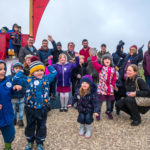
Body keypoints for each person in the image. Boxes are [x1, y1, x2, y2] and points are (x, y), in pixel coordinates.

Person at [13, 59, 57, 150]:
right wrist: (22, 71)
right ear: (32, 72)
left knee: (42, 126)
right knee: (30, 125)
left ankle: (40, 142)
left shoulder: (46, 79)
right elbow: (15, 79)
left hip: (42, 108)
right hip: (30, 108)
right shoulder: (27, 80)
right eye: (37, 70)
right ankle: (30, 141)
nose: (40, 72)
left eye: (41, 70)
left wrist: (48, 66)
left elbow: (54, 72)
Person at [0, 60, 22, 150]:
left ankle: (7, 147)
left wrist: (15, 88)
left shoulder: (7, 80)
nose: (3, 71)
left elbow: (11, 90)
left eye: (4, 69)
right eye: (0, 69)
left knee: (10, 133)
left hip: (7, 113)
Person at [91, 53, 117, 120]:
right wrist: (94, 56)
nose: (107, 60)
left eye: (108, 59)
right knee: (100, 101)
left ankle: (108, 111)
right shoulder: (101, 68)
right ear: (103, 61)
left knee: (109, 101)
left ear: (111, 61)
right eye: (105, 59)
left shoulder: (113, 69)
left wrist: (113, 85)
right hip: (102, 87)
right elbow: (95, 64)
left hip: (109, 88)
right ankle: (98, 113)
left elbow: (114, 78)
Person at [10, 62, 25, 126]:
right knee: (13, 109)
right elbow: (10, 85)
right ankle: (14, 119)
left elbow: (25, 84)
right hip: (13, 97)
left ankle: (20, 119)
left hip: (21, 96)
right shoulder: (10, 77)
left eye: (20, 68)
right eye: (16, 68)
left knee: (21, 108)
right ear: (13, 69)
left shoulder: (24, 77)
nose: (18, 69)